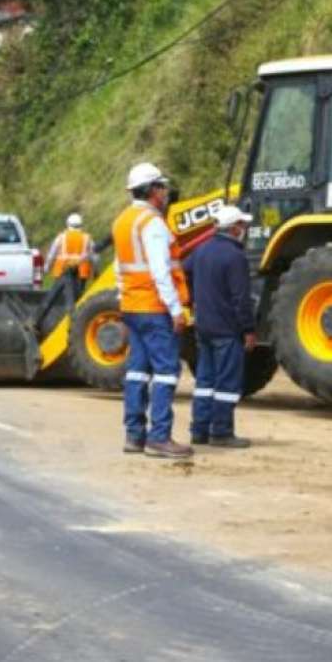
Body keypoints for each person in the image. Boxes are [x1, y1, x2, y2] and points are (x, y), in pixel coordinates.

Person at [113, 162, 193, 460]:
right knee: (166, 372)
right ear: (153, 191)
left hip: (133, 306)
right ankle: (159, 437)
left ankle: (134, 435)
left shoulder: (123, 221)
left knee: (137, 370)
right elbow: (161, 272)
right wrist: (175, 310)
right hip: (155, 307)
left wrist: (124, 302)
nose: (166, 192)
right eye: (162, 187)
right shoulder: (153, 224)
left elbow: (120, 269)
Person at [186, 204, 257, 448]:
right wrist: (248, 329)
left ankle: (199, 430)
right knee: (227, 383)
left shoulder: (201, 251)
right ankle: (222, 431)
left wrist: (194, 299)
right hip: (227, 330)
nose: (244, 229)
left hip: (204, 327)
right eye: (242, 225)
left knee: (204, 381)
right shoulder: (235, 257)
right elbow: (241, 298)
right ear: (235, 228)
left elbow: (183, 272)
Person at [44, 212, 96, 302]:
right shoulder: (87, 238)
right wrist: (96, 272)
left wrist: (47, 267)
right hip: (81, 272)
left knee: (62, 298)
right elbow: (94, 257)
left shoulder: (61, 237)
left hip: (61, 271)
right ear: (81, 225)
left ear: (67, 224)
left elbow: (52, 254)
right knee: (79, 298)